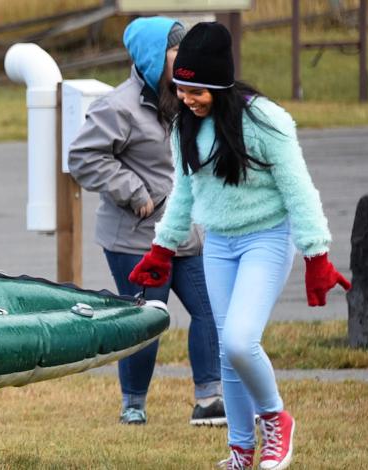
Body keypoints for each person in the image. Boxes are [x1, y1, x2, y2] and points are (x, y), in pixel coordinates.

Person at [129, 22, 350, 470]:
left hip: (266, 239)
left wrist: (316, 255)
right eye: (181, 88)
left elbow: (299, 190)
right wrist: (162, 249)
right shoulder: (184, 128)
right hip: (219, 245)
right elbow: (185, 194)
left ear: (220, 83)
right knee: (227, 355)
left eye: (197, 90)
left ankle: (276, 419)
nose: (187, 99)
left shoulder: (265, 121)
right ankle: (240, 452)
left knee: (239, 340)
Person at [68, 17, 226, 427]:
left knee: (210, 310)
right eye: (178, 51)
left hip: (186, 235)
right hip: (135, 240)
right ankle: (133, 405)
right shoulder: (116, 107)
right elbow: (83, 159)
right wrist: (135, 192)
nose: (186, 59)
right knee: (148, 319)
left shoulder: (188, 98)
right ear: (156, 57)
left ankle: (209, 400)